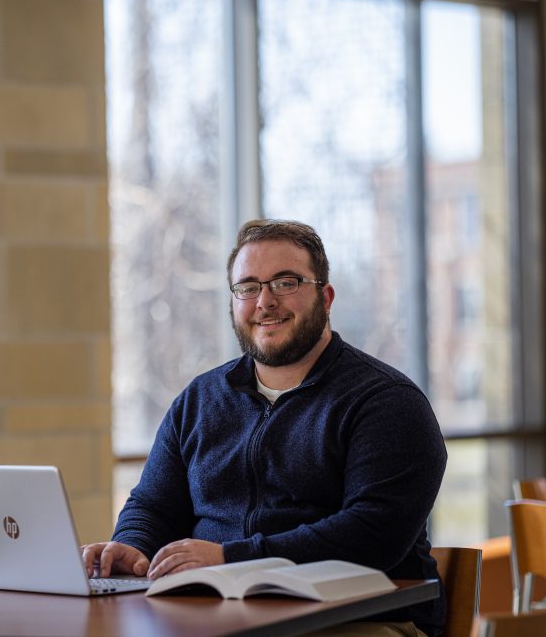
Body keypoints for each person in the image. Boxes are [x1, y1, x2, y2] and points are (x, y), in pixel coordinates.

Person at [82, 219, 447, 637]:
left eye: (286, 282)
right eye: (249, 287)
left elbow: (372, 534)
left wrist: (231, 558)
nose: (265, 301)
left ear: (325, 298)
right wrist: (130, 546)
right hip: (215, 616)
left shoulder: (387, 403)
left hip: (364, 619)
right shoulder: (200, 400)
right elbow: (153, 505)